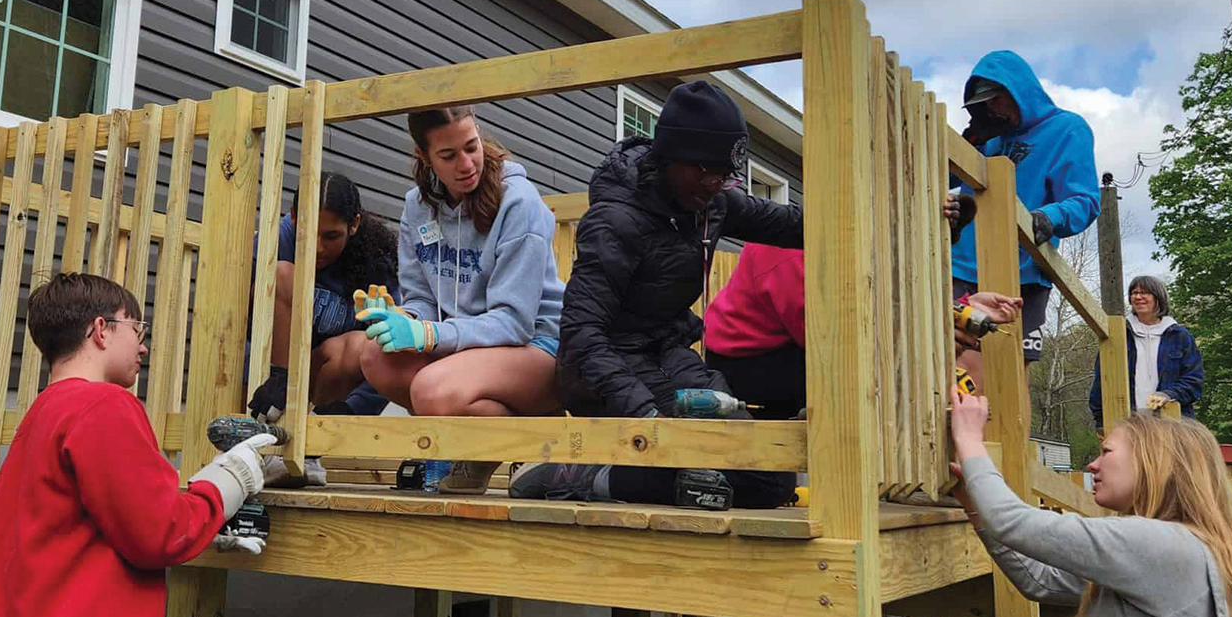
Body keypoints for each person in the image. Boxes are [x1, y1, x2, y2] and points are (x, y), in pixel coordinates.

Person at [509, 80, 803, 509]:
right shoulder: (615, 221)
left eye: (726, 175)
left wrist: (879, 216)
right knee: (694, 468)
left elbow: (788, 223)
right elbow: (582, 334)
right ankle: (582, 474)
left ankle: (612, 475)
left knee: (769, 478)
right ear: (673, 158)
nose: (718, 183)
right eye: (709, 171)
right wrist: (647, 416)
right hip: (607, 371)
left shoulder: (710, 202)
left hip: (668, 357)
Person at [0, 273, 275, 617]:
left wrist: (205, 527)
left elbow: (98, 524)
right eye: (137, 330)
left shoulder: (43, 412)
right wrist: (232, 477)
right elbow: (161, 534)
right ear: (101, 329)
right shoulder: (103, 404)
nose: (143, 347)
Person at [357, 105, 565, 495]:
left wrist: (427, 335)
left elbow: (513, 322)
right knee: (373, 356)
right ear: (424, 156)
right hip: (466, 348)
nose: (466, 164)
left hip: (537, 347)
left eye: (472, 147)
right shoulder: (416, 207)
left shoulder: (518, 201)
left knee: (431, 391)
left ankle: (536, 431)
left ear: (479, 132)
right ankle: (481, 447)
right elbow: (421, 299)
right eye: (448, 155)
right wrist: (400, 318)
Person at [949, 393, 1232, 617]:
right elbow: (1040, 580)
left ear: (1154, 463)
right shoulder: (1183, 547)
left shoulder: (1157, 544)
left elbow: (1012, 521)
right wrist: (977, 507)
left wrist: (969, 440)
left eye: (1106, 451)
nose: (1093, 464)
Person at [704, 197, 988, 419]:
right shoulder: (793, 254)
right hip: (743, 362)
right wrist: (930, 346)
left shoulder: (861, 242)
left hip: (792, 346)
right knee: (861, 373)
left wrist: (961, 312)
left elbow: (899, 300)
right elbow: (832, 342)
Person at [951, 51, 1101, 395]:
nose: (994, 110)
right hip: (962, 266)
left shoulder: (1066, 129)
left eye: (998, 100)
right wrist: (964, 145)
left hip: (1024, 272)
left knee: (1010, 379)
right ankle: (963, 444)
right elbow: (939, 175)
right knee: (960, 367)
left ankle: (1000, 446)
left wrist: (1050, 216)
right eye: (984, 105)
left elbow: (1085, 200)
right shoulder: (988, 136)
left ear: (1019, 91)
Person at [248, 171, 400, 422]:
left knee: (363, 344)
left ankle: (314, 441)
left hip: (324, 378)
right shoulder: (275, 240)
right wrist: (274, 378)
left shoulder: (377, 263)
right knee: (282, 273)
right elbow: (232, 324)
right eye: (308, 232)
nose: (317, 247)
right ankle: (277, 389)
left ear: (354, 225)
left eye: (331, 236)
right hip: (263, 375)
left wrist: (355, 407)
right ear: (294, 217)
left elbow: (392, 347)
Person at [1089, 275, 1204, 431]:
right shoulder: (1118, 335)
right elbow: (1102, 378)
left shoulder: (1180, 336)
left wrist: (1169, 394)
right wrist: (1101, 421)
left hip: (1172, 426)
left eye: (1145, 293)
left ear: (1158, 297)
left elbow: (1194, 381)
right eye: (1134, 293)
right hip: (1127, 424)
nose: (1138, 297)